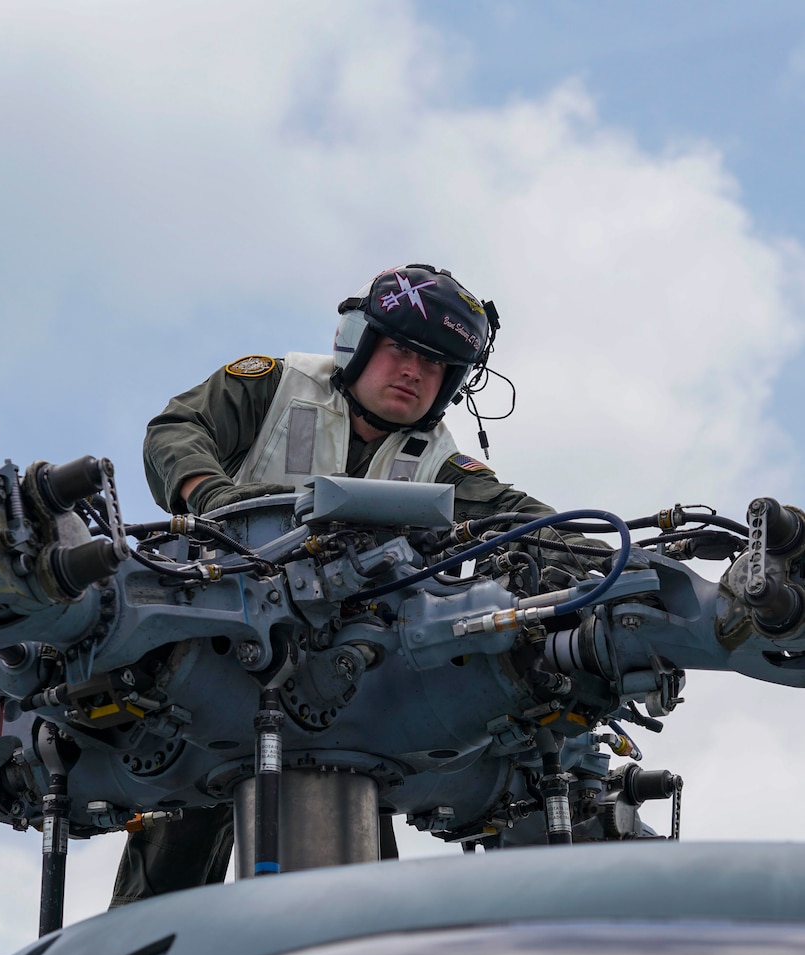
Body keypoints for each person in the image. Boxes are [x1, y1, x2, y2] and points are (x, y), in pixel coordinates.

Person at [111, 264, 597, 906]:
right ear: (360, 342)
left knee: (359, 902)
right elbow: (175, 431)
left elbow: (524, 519)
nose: (413, 373)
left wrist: (607, 561)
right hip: (223, 655)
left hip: (351, 692)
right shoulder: (272, 386)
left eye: (434, 366)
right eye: (401, 350)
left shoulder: (444, 464)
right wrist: (215, 497)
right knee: (167, 867)